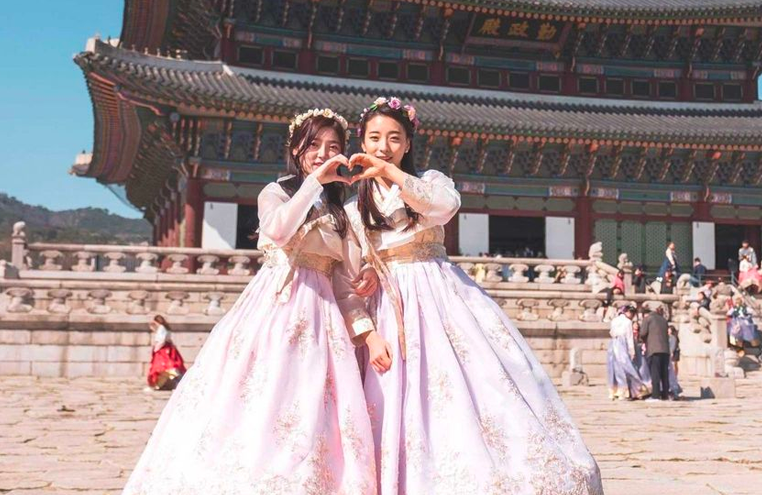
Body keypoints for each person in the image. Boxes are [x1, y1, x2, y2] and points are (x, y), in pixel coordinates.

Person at [341, 97, 603, 494]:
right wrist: (367, 279)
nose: (383, 147)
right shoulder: (353, 206)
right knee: (394, 397)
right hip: (390, 309)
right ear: (361, 140)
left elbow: (444, 207)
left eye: (394, 138)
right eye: (375, 137)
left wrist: (392, 174)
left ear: (408, 143)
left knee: (476, 387)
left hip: (440, 297)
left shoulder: (431, 180)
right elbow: (354, 264)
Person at [121, 109, 378, 494]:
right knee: (262, 395)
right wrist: (312, 183)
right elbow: (277, 230)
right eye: (313, 146)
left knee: (314, 406)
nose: (323, 154)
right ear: (296, 149)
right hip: (278, 307)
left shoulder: (340, 212)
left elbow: (343, 279)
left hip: (323, 319)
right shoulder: (275, 192)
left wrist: (363, 329)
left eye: (333, 147)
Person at [146, 315, 186, 391]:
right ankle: (161, 384)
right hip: (168, 348)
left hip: (163, 350)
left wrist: (156, 349)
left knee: (163, 367)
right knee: (168, 367)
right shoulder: (166, 328)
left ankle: (173, 383)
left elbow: (162, 340)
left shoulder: (161, 328)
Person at [639, 305, 670, 401]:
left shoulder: (648, 319)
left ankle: (655, 395)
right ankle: (665, 394)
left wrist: (643, 340)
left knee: (655, 372)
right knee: (664, 373)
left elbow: (643, 333)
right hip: (665, 350)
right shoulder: (664, 320)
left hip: (653, 349)